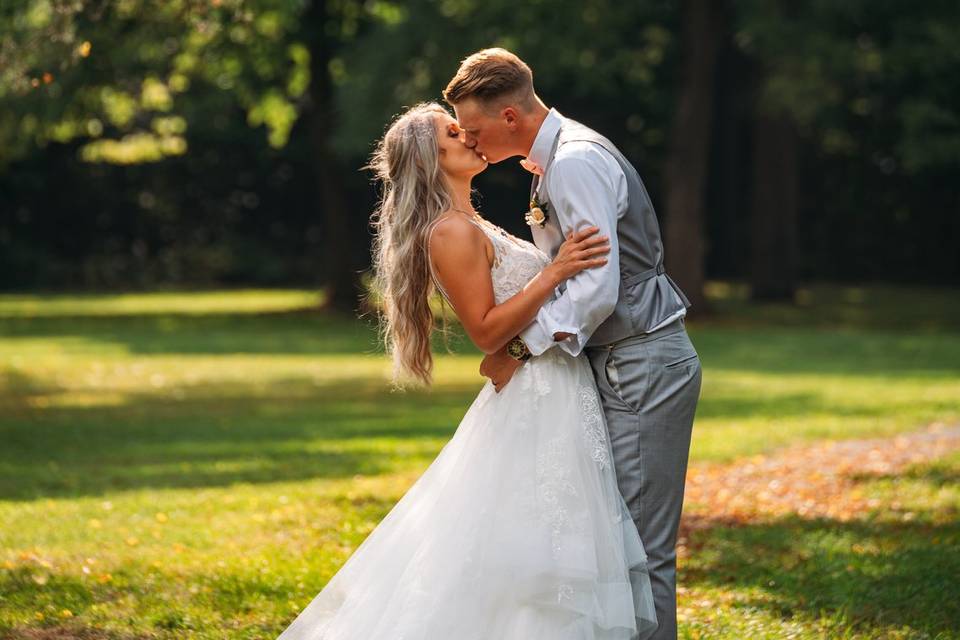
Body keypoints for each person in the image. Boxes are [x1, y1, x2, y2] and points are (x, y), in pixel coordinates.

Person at [276, 101, 658, 639]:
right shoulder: (449, 232)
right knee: (535, 555)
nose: (469, 136)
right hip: (535, 394)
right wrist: (556, 274)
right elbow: (485, 330)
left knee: (555, 546)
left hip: (554, 385)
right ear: (432, 160)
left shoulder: (471, 222)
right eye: (453, 133)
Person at [444, 48, 703, 640]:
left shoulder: (576, 162)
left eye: (476, 128)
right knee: (615, 545)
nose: (472, 140)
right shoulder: (554, 162)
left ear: (510, 117)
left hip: (640, 360)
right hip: (617, 363)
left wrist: (515, 349)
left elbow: (595, 290)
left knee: (638, 550)